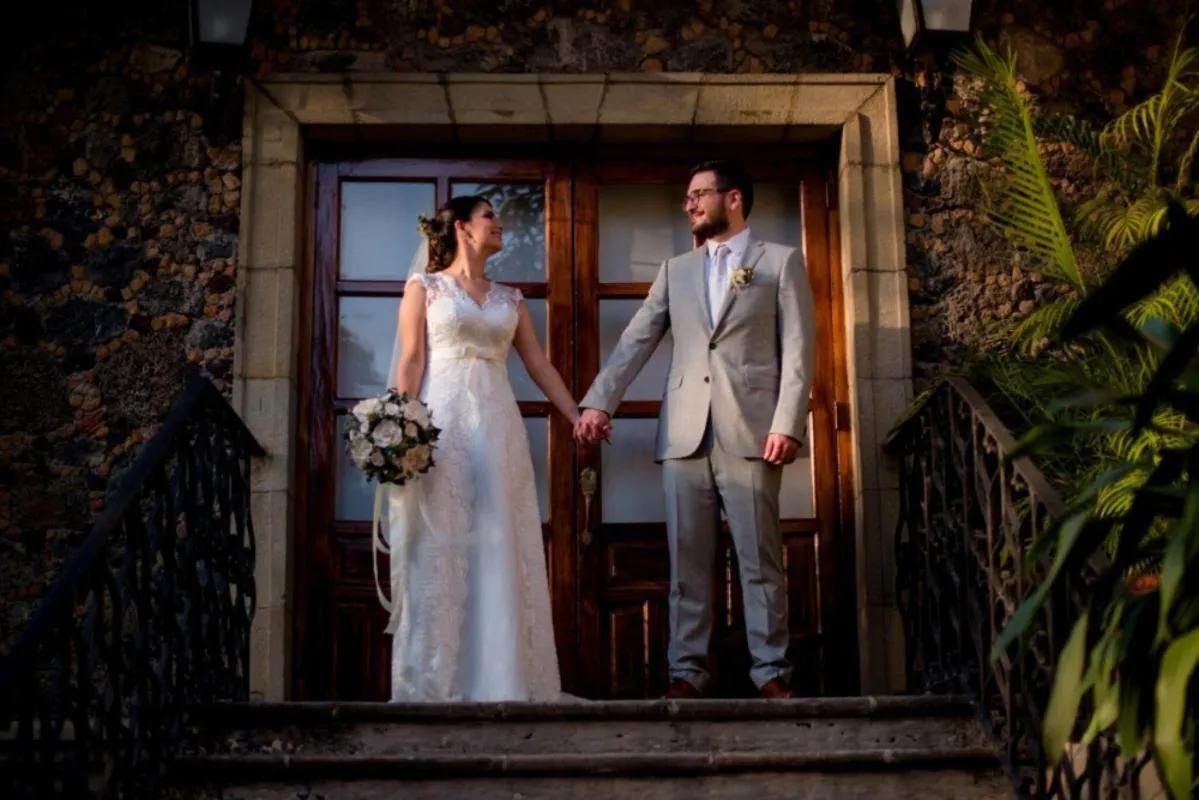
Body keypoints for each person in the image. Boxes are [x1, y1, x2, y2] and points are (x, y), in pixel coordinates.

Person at [574, 160, 816, 700]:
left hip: (753, 432)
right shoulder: (675, 270)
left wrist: (787, 423)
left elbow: (799, 349)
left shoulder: (779, 261)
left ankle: (771, 673)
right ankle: (687, 674)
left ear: (733, 199)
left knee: (760, 562)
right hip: (684, 435)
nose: (689, 205)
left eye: (698, 195)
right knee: (687, 564)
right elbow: (637, 338)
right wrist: (599, 402)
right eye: (687, 197)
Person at [381, 194, 580, 702]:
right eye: (490, 216)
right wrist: (398, 429)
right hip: (443, 422)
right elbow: (410, 359)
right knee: (442, 542)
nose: (500, 224)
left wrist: (577, 416)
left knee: (498, 537)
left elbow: (540, 366)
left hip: (497, 423)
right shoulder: (423, 288)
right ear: (464, 229)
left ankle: (505, 679)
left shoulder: (510, 299)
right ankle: (435, 681)